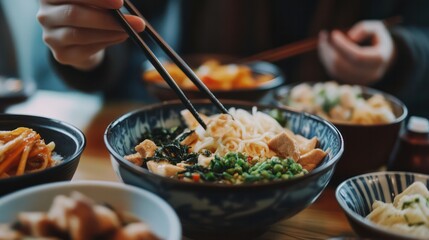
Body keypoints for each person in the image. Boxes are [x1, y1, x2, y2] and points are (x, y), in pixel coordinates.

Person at [37, 0, 429, 118]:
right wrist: (86, 48)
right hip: (186, 124)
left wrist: (399, 52)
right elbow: (129, 18)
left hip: (357, 155)